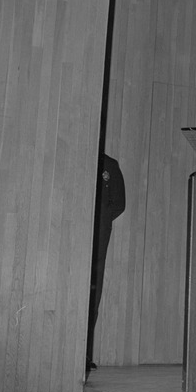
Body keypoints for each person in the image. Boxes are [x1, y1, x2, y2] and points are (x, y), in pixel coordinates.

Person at [86, 152, 126, 373]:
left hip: (99, 234)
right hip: (74, 231)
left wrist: (101, 218)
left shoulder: (109, 164)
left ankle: (85, 354)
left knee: (94, 292)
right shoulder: (80, 155)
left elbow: (119, 203)